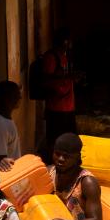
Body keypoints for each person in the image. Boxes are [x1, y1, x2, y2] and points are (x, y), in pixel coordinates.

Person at [41, 29, 76, 162]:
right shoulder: (51, 57)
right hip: (56, 107)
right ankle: (52, 162)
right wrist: (67, 77)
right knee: (56, 139)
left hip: (68, 105)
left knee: (67, 137)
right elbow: (46, 80)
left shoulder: (64, 55)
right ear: (65, 42)